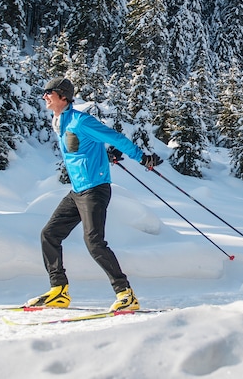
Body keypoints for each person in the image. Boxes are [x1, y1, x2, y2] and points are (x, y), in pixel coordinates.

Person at [25, 76, 163, 310]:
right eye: (44, 93)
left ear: (63, 96)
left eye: (49, 93)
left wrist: (142, 158)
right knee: (49, 234)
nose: (45, 96)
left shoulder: (80, 121)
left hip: (95, 190)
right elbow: (81, 148)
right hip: (77, 191)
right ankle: (58, 290)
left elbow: (114, 137)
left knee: (94, 242)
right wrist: (102, 154)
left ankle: (125, 294)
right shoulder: (58, 121)